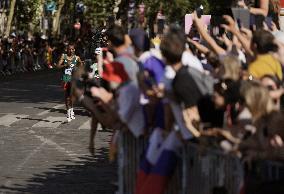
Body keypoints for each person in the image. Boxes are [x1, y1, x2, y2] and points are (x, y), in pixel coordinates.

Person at [57, 43, 83, 122]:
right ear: (67, 49)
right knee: (67, 96)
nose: (71, 51)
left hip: (74, 78)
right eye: (69, 49)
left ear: (74, 50)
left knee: (72, 96)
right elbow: (58, 66)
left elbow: (81, 66)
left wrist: (78, 69)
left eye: (72, 49)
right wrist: (65, 65)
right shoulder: (64, 56)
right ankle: (68, 113)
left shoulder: (77, 58)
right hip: (66, 77)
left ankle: (71, 110)